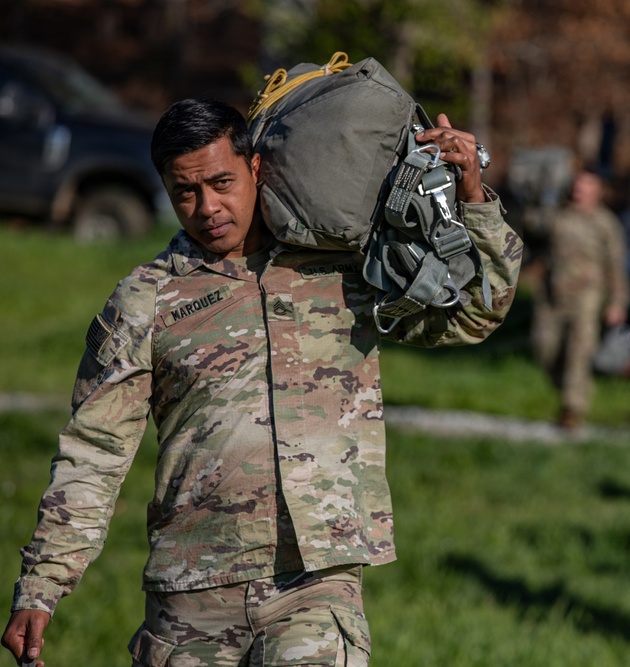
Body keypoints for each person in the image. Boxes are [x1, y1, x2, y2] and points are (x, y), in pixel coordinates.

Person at [1, 98, 522, 666]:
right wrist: (42, 586)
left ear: (255, 168)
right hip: (191, 592)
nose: (207, 207)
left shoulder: (343, 268)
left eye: (221, 183)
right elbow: (95, 449)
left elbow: (476, 313)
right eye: (185, 192)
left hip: (316, 583)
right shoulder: (146, 300)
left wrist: (473, 197)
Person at [531, 168, 630, 429]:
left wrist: (617, 303)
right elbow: (532, 230)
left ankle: (573, 408)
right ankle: (564, 387)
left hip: (587, 294)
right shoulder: (558, 216)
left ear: (598, 191)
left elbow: (616, 265)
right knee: (544, 346)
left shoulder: (606, 223)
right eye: (577, 185)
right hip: (553, 291)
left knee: (580, 351)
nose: (580, 191)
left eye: (587, 186)